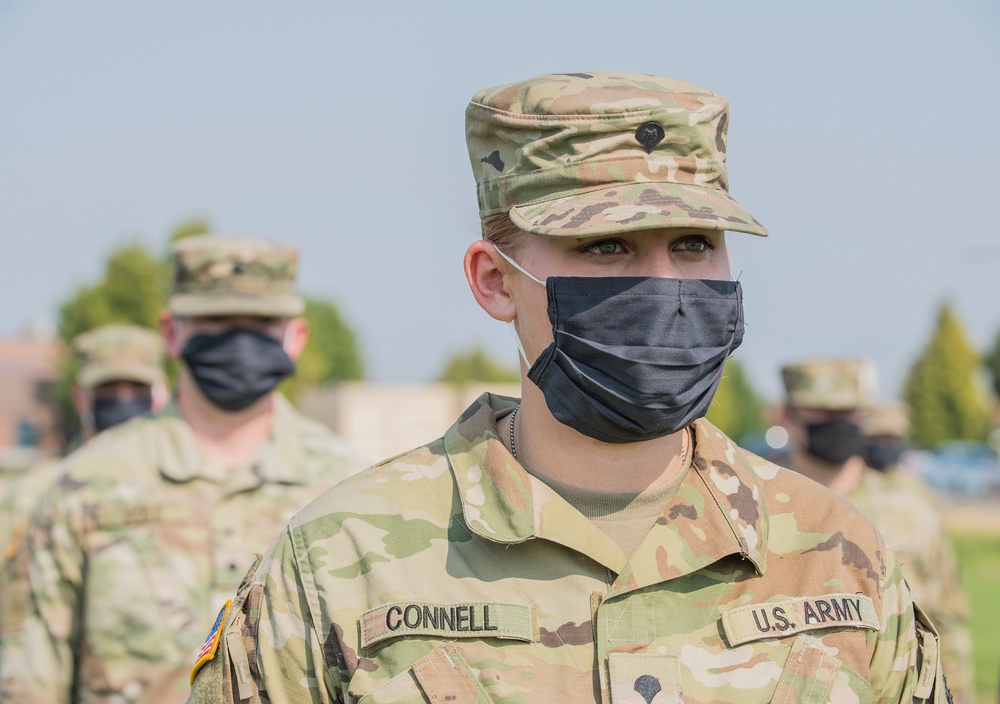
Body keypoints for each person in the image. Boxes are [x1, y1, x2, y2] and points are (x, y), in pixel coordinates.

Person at [189, 72, 946, 703]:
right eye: (606, 246)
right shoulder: (339, 561)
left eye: (694, 245)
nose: (665, 287)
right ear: (494, 281)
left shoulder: (838, 553)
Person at [3, 236, 369, 704]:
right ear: (172, 331)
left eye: (260, 322)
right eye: (215, 319)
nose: (238, 339)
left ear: (296, 336)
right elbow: (29, 684)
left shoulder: (347, 491)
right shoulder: (84, 488)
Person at [781, 360, 971, 702]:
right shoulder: (757, 508)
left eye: (848, 411)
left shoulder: (913, 512)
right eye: (821, 410)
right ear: (788, 416)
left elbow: (946, 623)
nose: (836, 422)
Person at [0, 324, 168, 667]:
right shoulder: (34, 494)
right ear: (81, 395)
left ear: (159, 394)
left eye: (136, 388)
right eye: (108, 389)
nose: (123, 400)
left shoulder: (189, 487)